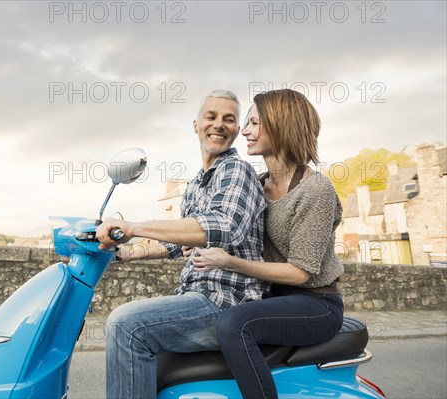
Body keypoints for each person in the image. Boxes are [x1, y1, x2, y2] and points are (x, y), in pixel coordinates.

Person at [96, 89, 268, 399]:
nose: (219, 125)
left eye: (229, 119)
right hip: (197, 296)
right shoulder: (196, 185)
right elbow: (178, 244)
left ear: (236, 130)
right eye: (211, 117)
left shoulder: (236, 171)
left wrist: (133, 226)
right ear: (195, 124)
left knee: (126, 324)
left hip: (227, 301)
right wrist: (121, 253)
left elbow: (223, 226)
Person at [191, 89, 344, 399]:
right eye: (246, 123)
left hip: (316, 304)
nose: (244, 131)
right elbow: (223, 228)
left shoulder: (315, 189)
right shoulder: (258, 185)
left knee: (234, 324)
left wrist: (228, 261)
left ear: (280, 125)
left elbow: (301, 273)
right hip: (271, 296)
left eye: (254, 123)